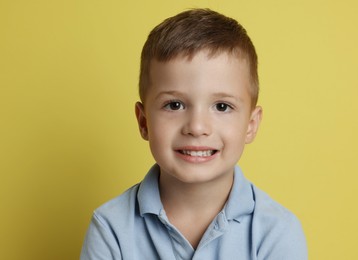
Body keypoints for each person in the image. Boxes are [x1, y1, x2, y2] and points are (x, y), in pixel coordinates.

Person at [80, 8, 307, 260]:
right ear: (144, 122)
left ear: (251, 125)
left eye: (222, 106)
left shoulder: (276, 233)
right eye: (174, 105)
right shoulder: (110, 228)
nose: (197, 127)